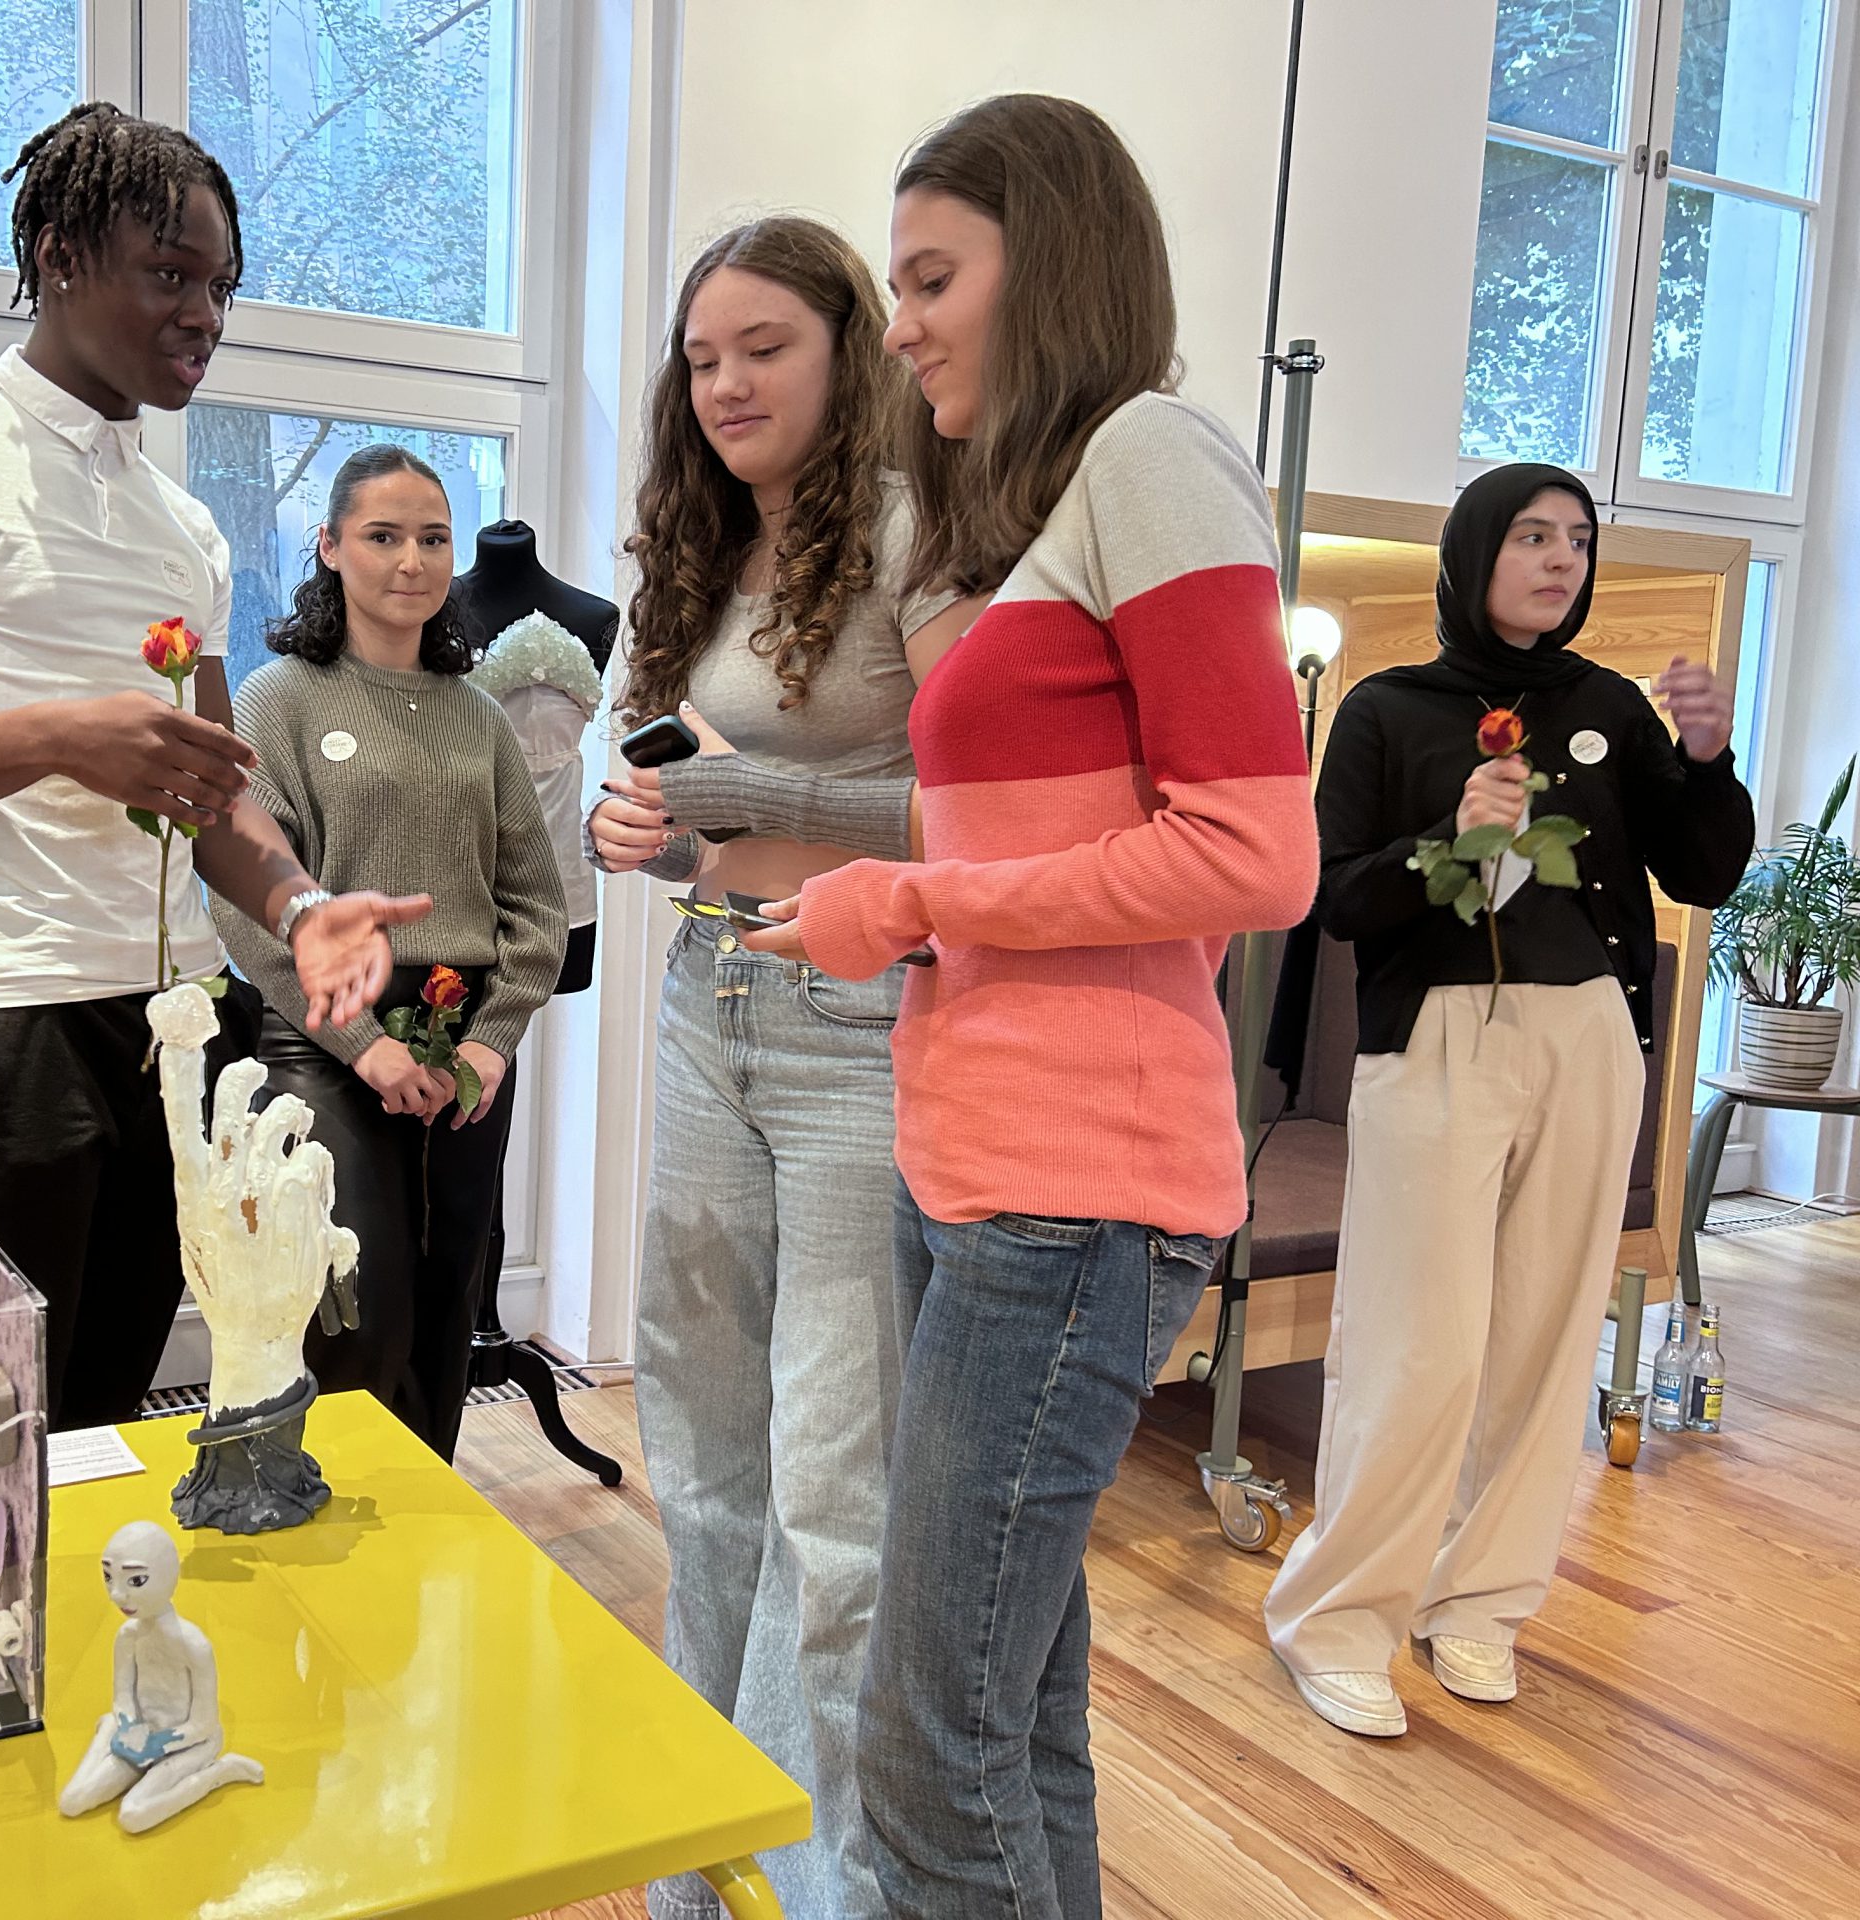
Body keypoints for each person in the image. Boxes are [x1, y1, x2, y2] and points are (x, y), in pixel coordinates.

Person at [747, 98, 1318, 1919]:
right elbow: (1035, 845)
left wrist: (917, 904)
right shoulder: (1042, 506)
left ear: (1049, 265)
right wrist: (878, 904)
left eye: (932, 279)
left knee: (930, 1746)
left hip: (1080, 1188)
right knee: (1015, 1714)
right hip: (980, 1164)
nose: (898, 323)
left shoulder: (1155, 454)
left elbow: (1255, 853)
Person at [0, 105, 426, 1430]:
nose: (204, 315)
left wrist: (299, 905)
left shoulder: (184, 528)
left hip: (174, 1020)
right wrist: (58, 738)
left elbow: (208, 791)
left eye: (221, 287)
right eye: (170, 274)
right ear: (59, 255)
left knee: (114, 1409)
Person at [589, 214, 970, 1920]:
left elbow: (981, 815)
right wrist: (649, 832)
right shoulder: (690, 552)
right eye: (702, 358)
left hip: (859, 1029)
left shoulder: (915, 537)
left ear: (850, 348)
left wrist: (756, 797)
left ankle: (828, 1894)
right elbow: (687, 819)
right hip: (709, 1002)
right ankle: (701, 1874)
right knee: (705, 1475)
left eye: (766, 347)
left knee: (833, 1501)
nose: (727, 383)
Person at [1263, 464, 1752, 1737]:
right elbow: (1330, 899)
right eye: (1532, 536)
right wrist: (1455, 846)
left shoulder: (1608, 708)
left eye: (1576, 540)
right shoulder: (1385, 709)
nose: (1559, 559)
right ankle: (1336, 1620)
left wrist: (1707, 762)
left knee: (1545, 1335)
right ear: (1474, 549)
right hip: (1435, 1039)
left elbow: (1700, 875)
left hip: (1589, 1035)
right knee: (1413, 1342)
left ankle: (1478, 1604)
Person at [213, 444, 564, 1463]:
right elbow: (245, 904)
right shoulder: (277, 700)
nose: (411, 561)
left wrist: (489, 1044)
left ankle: (429, 1518)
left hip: (466, 1040)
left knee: (449, 1298)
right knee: (350, 1308)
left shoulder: (480, 717)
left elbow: (535, 905)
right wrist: (365, 1044)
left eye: (432, 539)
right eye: (382, 536)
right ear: (329, 548)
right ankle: (334, 1529)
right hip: (322, 1042)